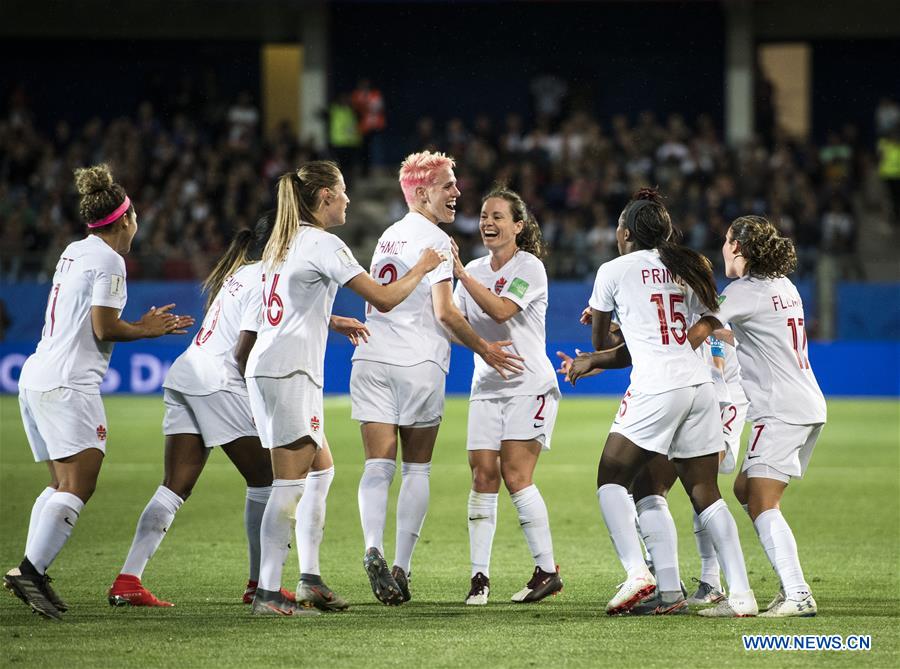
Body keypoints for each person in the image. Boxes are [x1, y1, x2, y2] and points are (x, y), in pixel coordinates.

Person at [106, 211, 362, 611]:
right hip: (221, 381)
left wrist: (329, 321)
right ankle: (260, 584)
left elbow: (272, 314)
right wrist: (261, 404)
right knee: (267, 481)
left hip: (187, 375)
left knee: (175, 487)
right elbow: (245, 349)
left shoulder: (242, 273)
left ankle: (128, 579)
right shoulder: (268, 278)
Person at [245, 161, 443, 616]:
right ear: (325, 198)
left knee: (322, 470)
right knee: (289, 484)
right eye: (343, 191)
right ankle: (269, 593)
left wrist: (329, 320)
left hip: (267, 366)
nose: (349, 200)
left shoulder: (282, 241)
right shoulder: (324, 243)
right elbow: (386, 298)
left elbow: (277, 307)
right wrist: (424, 266)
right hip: (292, 371)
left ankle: (310, 578)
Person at [3, 164, 194, 620]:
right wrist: (146, 330)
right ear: (125, 220)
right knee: (78, 485)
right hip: (69, 383)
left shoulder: (74, 250)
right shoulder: (111, 261)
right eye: (136, 217)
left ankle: (33, 572)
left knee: (59, 484)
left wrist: (138, 324)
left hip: (37, 374)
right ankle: (29, 569)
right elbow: (104, 326)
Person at [566, 188, 756, 617]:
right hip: (699, 386)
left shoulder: (613, 270)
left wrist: (604, 332)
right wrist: (619, 335)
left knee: (610, 477)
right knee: (690, 490)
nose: (615, 232)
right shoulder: (689, 267)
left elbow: (605, 342)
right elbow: (675, 332)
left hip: (657, 388)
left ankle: (638, 573)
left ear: (627, 232)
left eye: (618, 225)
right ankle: (721, 594)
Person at [350, 150, 523, 606]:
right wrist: (484, 348)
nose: (457, 192)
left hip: (369, 359)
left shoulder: (388, 235)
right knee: (417, 468)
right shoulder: (437, 242)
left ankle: (373, 547)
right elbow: (445, 313)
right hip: (419, 363)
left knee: (376, 465)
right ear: (423, 192)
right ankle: (401, 567)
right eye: (448, 184)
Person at [687, 215, 826, 617]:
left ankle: (798, 593)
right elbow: (746, 331)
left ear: (741, 250)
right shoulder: (783, 286)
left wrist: (658, 345)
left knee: (763, 500)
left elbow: (700, 330)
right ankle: (789, 590)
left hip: (781, 409)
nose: (724, 248)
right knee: (745, 488)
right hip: (802, 404)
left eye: (728, 242)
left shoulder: (743, 291)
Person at [451, 187, 562, 606]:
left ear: (518, 225)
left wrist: (460, 275)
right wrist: (476, 344)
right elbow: (456, 323)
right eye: (483, 215)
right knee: (482, 475)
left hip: (528, 384)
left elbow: (500, 311)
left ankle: (547, 570)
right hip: (486, 386)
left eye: (498, 216)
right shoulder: (477, 267)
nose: (488, 223)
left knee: (516, 475)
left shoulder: (529, 267)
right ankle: (479, 578)